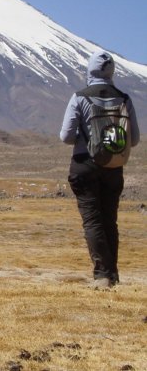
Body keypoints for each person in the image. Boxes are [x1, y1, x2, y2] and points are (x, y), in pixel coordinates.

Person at [60, 50, 139, 289]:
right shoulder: (124, 99)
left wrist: (86, 139)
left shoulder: (80, 97)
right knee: (109, 220)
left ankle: (102, 276)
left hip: (85, 165)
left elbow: (65, 136)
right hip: (114, 168)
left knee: (93, 221)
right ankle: (112, 274)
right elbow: (133, 139)